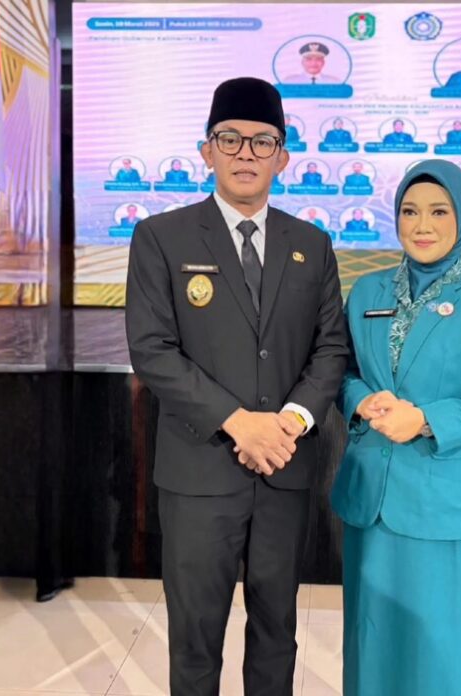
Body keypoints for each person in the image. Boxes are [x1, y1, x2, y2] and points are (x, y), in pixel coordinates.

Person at [125, 76, 348, 696]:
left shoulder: (312, 245)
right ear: (207, 151)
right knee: (196, 637)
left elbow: (330, 348)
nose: (246, 153)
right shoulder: (161, 237)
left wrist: (289, 423)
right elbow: (152, 350)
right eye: (231, 139)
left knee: (277, 631)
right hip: (200, 474)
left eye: (262, 141)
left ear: (283, 157)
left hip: (284, 469)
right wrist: (238, 422)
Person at [331, 158, 461, 696]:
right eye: (410, 211)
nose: (422, 225)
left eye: (439, 211)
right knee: (372, 653)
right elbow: (343, 373)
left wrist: (425, 420)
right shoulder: (367, 291)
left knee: (445, 658)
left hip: (451, 506)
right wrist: (361, 400)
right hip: (373, 503)